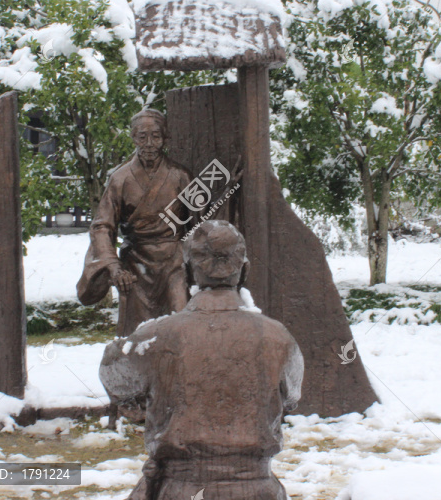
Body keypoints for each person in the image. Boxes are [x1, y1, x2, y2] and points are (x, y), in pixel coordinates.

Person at [99, 220, 304, 500]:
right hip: (258, 491)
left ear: (187, 274)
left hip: (180, 491)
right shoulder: (279, 338)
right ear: (244, 271)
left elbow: (116, 380)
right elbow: (290, 400)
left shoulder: (155, 338)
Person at [77, 109, 194, 336]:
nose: (149, 143)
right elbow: (102, 226)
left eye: (156, 136)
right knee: (137, 335)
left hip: (174, 261)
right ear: (133, 137)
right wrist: (113, 266)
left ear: (165, 138)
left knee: (180, 324)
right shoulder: (120, 179)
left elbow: (198, 222)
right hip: (135, 262)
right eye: (142, 137)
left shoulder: (180, 175)